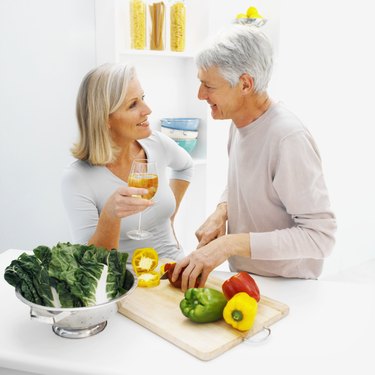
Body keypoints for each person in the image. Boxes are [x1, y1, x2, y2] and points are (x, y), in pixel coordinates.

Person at [172, 24, 337, 290]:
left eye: (208, 86)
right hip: (247, 280)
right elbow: (245, 181)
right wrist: (221, 211)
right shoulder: (239, 123)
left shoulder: (287, 138)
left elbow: (320, 237)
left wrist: (229, 244)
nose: (200, 95)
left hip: (287, 289)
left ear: (245, 84)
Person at [61, 63, 194, 261]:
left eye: (143, 98)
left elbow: (185, 167)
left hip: (172, 271)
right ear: (105, 118)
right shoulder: (77, 178)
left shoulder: (157, 144)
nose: (147, 110)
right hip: (125, 284)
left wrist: (170, 219)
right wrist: (110, 216)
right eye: (133, 104)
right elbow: (88, 263)